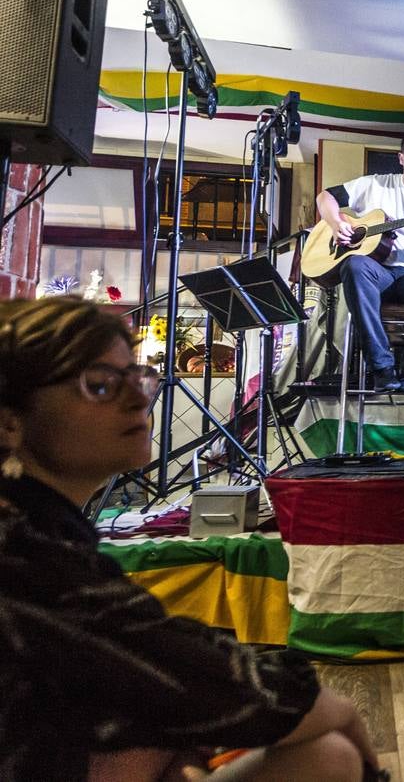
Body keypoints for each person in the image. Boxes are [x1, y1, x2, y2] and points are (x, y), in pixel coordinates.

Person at [0, 297, 378, 781]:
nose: (139, 400)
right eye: (98, 386)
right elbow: (188, 671)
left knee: (320, 753)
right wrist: (334, 710)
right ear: (10, 419)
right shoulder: (23, 552)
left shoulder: (40, 527)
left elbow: (141, 664)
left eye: (137, 378)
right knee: (328, 751)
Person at [315, 130, 404, 393]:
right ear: (401, 158)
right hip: (378, 271)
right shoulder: (375, 184)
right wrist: (336, 224)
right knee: (354, 264)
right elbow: (325, 197)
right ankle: (381, 368)